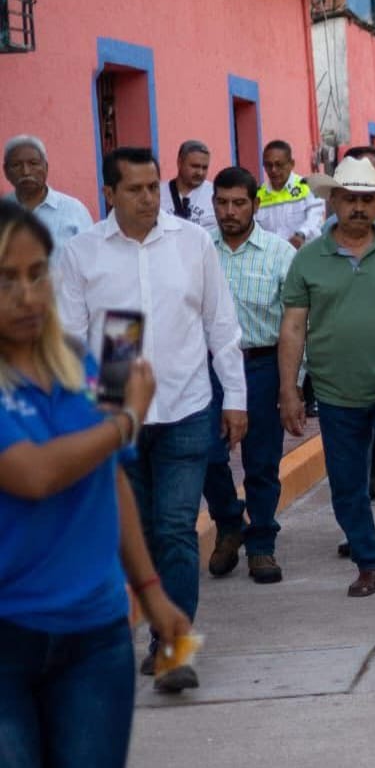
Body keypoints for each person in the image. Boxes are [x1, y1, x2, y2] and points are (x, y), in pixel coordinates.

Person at [0, 202, 199, 752]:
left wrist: (152, 593)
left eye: (37, 272)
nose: (26, 293)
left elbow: (110, 482)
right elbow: (32, 475)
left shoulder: (79, 365)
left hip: (95, 633)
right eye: (5, 278)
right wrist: (127, 420)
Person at [54, 146, 247, 683]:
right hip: (118, 419)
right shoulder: (83, 252)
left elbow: (220, 324)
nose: (147, 198)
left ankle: (171, 648)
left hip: (186, 406)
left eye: (153, 187)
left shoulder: (191, 244)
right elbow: (70, 340)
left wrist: (235, 397)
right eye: (134, 189)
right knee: (132, 532)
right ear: (109, 194)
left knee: (176, 529)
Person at [278, 156, 375, 599]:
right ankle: (368, 561)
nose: (359, 208)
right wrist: (289, 390)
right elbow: (292, 328)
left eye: (367, 199)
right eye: (350, 199)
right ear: (333, 202)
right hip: (335, 392)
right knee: (347, 484)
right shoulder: (307, 260)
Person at [201, 167, 297, 585]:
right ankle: (227, 524)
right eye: (222, 202)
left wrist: (291, 382)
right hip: (205, 370)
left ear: (255, 205)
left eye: (239, 202)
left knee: (261, 461)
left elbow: (296, 324)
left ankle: (261, 545)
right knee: (205, 453)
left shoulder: (280, 254)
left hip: (261, 366)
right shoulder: (199, 249)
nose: (229, 211)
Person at [3, 135, 94, 253]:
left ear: (45, 167)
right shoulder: (3, 210)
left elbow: (91, 258)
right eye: (16, 165)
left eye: (33, 163)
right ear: (6, 171)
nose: (26, 172)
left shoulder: (74, 210)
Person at [256, 140, 324, 247]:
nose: (273, 170)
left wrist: (301, 235)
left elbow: (314, 219)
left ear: (291, 164)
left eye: (279, 165)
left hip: (304, 256)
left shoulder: (308, 187)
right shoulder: (258, 195)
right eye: (268, 165)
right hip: (273, 259)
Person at [160, 140, 217, 231]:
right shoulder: (158, 193)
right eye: (195, 166)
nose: (200, 172)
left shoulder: (216, 193)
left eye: (204, 168)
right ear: (179, 163)